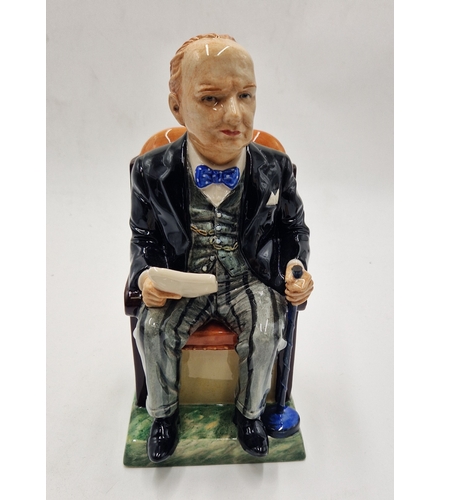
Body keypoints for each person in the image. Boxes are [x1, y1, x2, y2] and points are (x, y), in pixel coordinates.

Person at [128, 34, 314, 463]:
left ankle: (249, 415)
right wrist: (145, 277)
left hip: (246, 277)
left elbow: (292, 226)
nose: (234, 114)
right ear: (177, 107)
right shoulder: (151, 171)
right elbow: (143, 237)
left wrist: (295, 266)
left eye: (245, 95)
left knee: (266, 332)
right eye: (211, 99)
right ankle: (164, 416)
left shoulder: (275, 168)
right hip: (184, 279)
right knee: (152, 329)